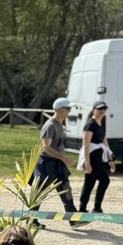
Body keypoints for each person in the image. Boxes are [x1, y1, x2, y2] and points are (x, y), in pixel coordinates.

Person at [33, 97, 85, 227]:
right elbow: (45, 147)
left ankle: (74, 219)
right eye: (68, 108)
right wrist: (64, 158)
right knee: (40, 193)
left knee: (66, 191)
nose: (69, 111)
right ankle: (32, 221)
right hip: (47, 165)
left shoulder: (60, 124)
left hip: (57, 165)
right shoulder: (50, 125)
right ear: (59, 109)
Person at [78, 101, 115, 214]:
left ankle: (83, 209)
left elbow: (104, 141)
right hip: (92, 155)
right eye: (99, 109)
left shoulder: (102, 122)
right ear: (94, 109)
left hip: (100, 154)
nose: (102, 111)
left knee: (89, 183)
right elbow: (86, 144)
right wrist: (87, 162)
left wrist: (110, 159)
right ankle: (95, 208)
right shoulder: (90, 124)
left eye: (104, 109)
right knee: (104, 180)